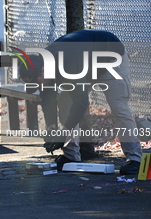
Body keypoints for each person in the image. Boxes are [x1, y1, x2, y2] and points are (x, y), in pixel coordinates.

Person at [19, 29, 142, 174]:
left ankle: (135, 159)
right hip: (86, 64)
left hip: (111, 59)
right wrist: (52, 129)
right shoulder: (43, 67)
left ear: (43, 71)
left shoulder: (67, 64)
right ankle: (71, 156)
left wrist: (63, 134)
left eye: (37, 82)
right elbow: (48, 101)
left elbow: (81, 103)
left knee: (118, 107)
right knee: (65, 103)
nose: (38, 86)